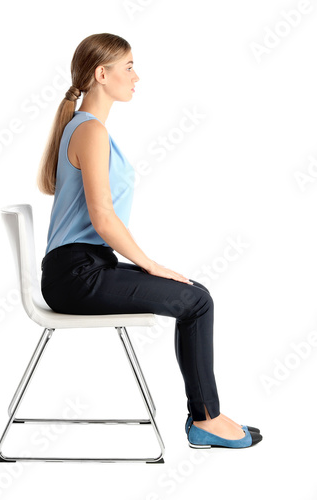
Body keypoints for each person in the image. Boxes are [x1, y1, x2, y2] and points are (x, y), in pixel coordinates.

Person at [36, 33, 262, 449]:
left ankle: (207, 415)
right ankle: (206, 420)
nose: (136, 76)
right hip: (78, 275)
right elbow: (103, 219)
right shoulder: (90, 131)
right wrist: (150, 264)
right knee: (196, 302)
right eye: (128, 67)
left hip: (80, 270)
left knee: (195, 295)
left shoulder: (86, 128)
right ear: (101, 75)